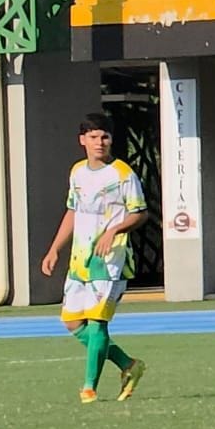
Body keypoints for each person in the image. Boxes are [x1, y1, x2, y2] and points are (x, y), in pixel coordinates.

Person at [41, 112, 149, 403]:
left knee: (98, 322)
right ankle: (128, 364)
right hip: (80, 260)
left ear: (111, 140)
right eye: (93, 137)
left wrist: (113, 230)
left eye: (104, 136)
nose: (99, 142)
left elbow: (139, 212)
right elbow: (73, 211)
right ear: (82, 141)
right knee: (72, 322)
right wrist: (55, 248)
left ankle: (89, 387)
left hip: (110, 261)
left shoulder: (123, 173)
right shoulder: (77, 172)